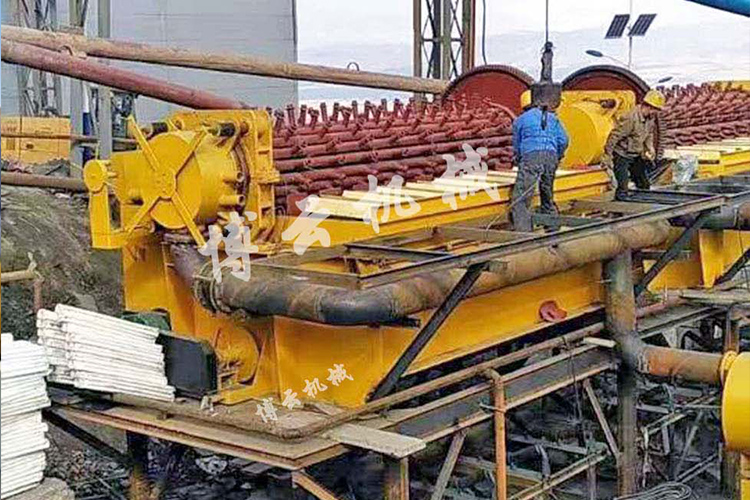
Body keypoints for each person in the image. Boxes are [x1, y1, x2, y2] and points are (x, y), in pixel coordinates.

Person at [510, 91, 570, 232]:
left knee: (522, 198)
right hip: (551, 157)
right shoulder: (552, 118)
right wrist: (558, 156)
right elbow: (564, 140)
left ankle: (524, 234)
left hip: (531, 157)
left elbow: (517, 145)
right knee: (547, 194)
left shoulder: (520, 120)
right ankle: (552, 228)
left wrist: (519, 159)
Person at [601, 89, 666, 200]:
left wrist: (650, 147)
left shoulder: (650, 118)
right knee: (623, 188)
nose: (656, 113)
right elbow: (614, 136)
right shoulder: (630, 118)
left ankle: (642, 204)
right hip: (622, 155)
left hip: (636, 154)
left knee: (644, 185)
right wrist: (608, 155)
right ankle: (620, 206)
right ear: (649, 107)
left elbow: (649, 133)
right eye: (656, 109)